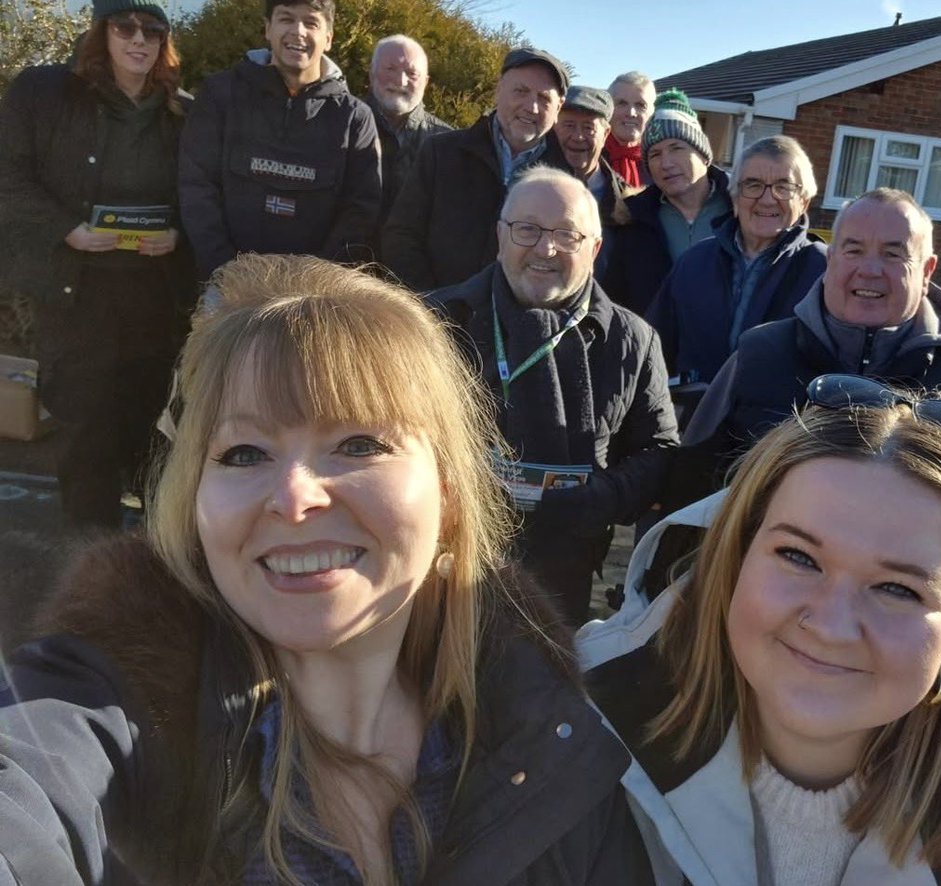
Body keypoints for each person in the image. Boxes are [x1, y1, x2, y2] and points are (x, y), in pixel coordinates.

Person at [0, 254, 653, 885]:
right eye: (244, 452)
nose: (294, 496)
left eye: (359, 444)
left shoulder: (554, 744)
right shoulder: (97, 698)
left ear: (449, 495)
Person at [578, 376, 941, 885]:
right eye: (798, 557)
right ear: (737, 554)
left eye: (898, 589)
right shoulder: (571, 735)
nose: (831, 625)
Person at [429, 167, 678, 627]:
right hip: (443, 565)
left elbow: (659, 452)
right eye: (528, 229)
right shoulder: (434, 323)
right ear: (500, 236)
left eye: (568, 235)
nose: (546, 249)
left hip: (566, 575)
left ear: (595, 249)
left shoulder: (634, 340)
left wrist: (597, 500)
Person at [674, 187, 941, 506]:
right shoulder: (758, 354)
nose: (870, 270)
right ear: (830, 261)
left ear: (927, 271)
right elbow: (688, 486)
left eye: (892, 254)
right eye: (853, 250)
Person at [0, 0, 194, 529]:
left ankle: (152, 546)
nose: (140, 39)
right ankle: (90, 556)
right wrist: (68, 230)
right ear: (99, 32)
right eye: (125, 26)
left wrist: (177, 232)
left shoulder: (182, 112)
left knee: (151, 422)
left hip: (152, 298)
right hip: (76, 293)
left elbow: (201, 193)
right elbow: (9, 180)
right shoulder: (43, 93)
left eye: (153, 29)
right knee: (85, 426)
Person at [178, 0, 380, 279]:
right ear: (267, 29)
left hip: (312, 292)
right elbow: (197, 187)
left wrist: (314, 281)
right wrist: (226, 271)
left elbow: (360, 211)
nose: (298, 31)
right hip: (226, 286)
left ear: (328, 39)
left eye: (311, 23)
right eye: (286, 19)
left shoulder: (355, 118)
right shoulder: (220, 95)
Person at [381, 47, 573, 292]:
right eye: (521, 91)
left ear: (559, 108)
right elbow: (401, 235)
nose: (531, 107)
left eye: (544, 98)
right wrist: (432, 304)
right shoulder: (441, 152)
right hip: (431, 313)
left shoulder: (565, 182)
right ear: (498, 91)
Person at [646, 135, 828, 384]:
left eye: (783, 187)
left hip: (782, 422)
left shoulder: (825, 272)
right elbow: (652, 350)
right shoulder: (695, 262)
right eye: (753, 185)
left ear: (804, 202)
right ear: (734, 199)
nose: (767, 199)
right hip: (695, 417)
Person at [601, 88, 732, 316]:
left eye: (676, 148)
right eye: (655, 154)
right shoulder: (632, 220)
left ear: (703, 154)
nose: (666, 163)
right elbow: (614, 302)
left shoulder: (742, 209)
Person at [364, 34, 451, 237]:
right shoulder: (346, 124)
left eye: (412, 74)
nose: (400, 80)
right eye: (390, 69)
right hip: (342, 260)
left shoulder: (445, 142)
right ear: (372, 74)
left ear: (426, 82)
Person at [554, 85, 631, 279]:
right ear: (555, 127)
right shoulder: (527, 189)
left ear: (605, 134)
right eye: (569, 125)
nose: (578, 136)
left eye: (589, 128)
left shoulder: (627, 201)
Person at [603, 71, 655, 188]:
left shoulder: (659, 163)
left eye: (640, 105)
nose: (631, 113)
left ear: (651, 112)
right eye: (622, 103)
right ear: (608, 109)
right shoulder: (588, 156)